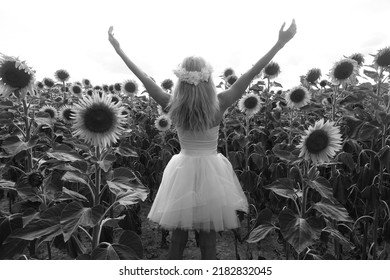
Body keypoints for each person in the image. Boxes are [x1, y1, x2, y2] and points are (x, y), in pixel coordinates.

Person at [108, 20, 297, 260]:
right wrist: (279, 43)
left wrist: (118, 49)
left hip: (181, 172)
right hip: (212, 173)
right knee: (208, 242)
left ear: (180, 80)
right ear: (207, 80)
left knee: (177, 239)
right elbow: (251, 74)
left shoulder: (173, 105)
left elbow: (143, 77)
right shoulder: (220, 103)